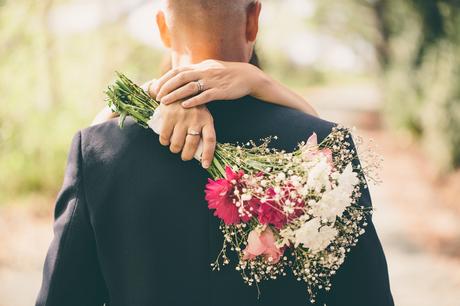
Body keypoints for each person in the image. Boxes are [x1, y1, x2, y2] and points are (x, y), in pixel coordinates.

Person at [36, 1, 394, 306]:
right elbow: (368, 294)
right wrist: (261, 82)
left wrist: (149, 98)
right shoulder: (323, 150)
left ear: (163, 27)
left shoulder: (97, 152)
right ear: (254, 19)